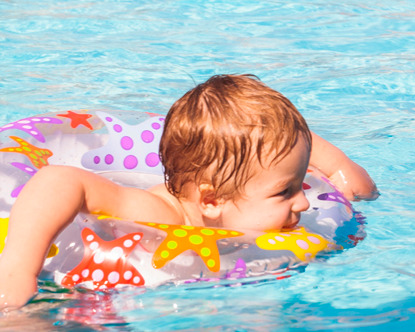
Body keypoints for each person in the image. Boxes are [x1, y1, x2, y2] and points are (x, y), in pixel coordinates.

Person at [0, 74, 378, 310]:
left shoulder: (250, 195)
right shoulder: (155, 213)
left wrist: (339, 167)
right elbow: (57, 181)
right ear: (211, 201)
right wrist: (18, 269)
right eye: (284, 192)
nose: (303, 201)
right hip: (86, 286)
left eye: (299, 185)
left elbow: (361, 187)